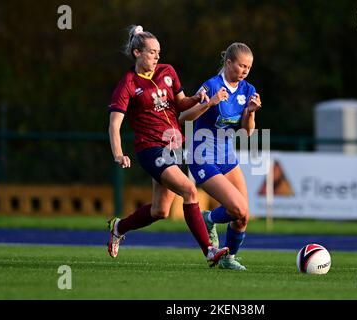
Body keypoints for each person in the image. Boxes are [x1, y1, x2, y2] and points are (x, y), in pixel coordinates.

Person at [106, 25, 229, 267]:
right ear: (137, 53)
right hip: (150, 148)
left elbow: (181, 103)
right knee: (190, 191)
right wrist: (119, 154)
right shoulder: (128, 83)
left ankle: (119, 227)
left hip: (173, 146)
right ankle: (209, 251)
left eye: (158, 53)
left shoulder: (167, 71)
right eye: (152, 52)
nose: (157, 57)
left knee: (160, 211)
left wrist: (200, 100)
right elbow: (114, 125)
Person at [179, 42, 262, 270]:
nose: (245, 71)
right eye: (241, 65)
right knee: (236, 208)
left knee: (243, 215)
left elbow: (246, 132)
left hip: (226, 154)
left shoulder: (247, 90)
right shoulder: (212, 85)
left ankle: (228, 258)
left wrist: (251, 113)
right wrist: (211, 102)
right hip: (201, 154)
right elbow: (183, 118)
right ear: (228, 63)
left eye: (249, 67)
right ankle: (209, 220)